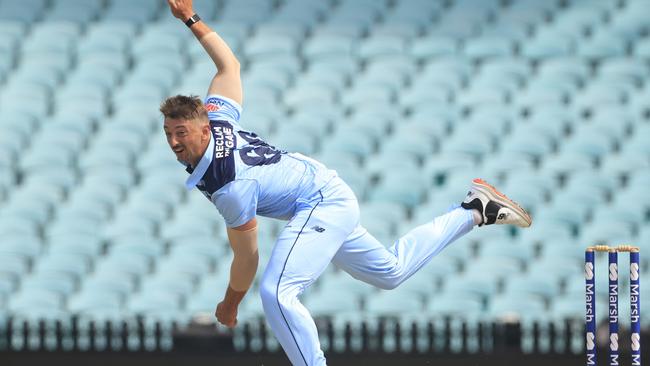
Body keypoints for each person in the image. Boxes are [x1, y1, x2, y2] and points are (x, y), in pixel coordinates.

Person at [161, 1, 532, 365]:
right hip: (325, 192)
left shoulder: (228, 184)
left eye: (181, 132)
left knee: (277, 292)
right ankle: (474, 210)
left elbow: (247, 256)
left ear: (203, 128)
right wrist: (191, 19)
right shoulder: (219, 118)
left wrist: (230, 304)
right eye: (168, 133)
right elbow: (229, 65)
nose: (175, 142)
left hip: (320, 202)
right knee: (391, 271)